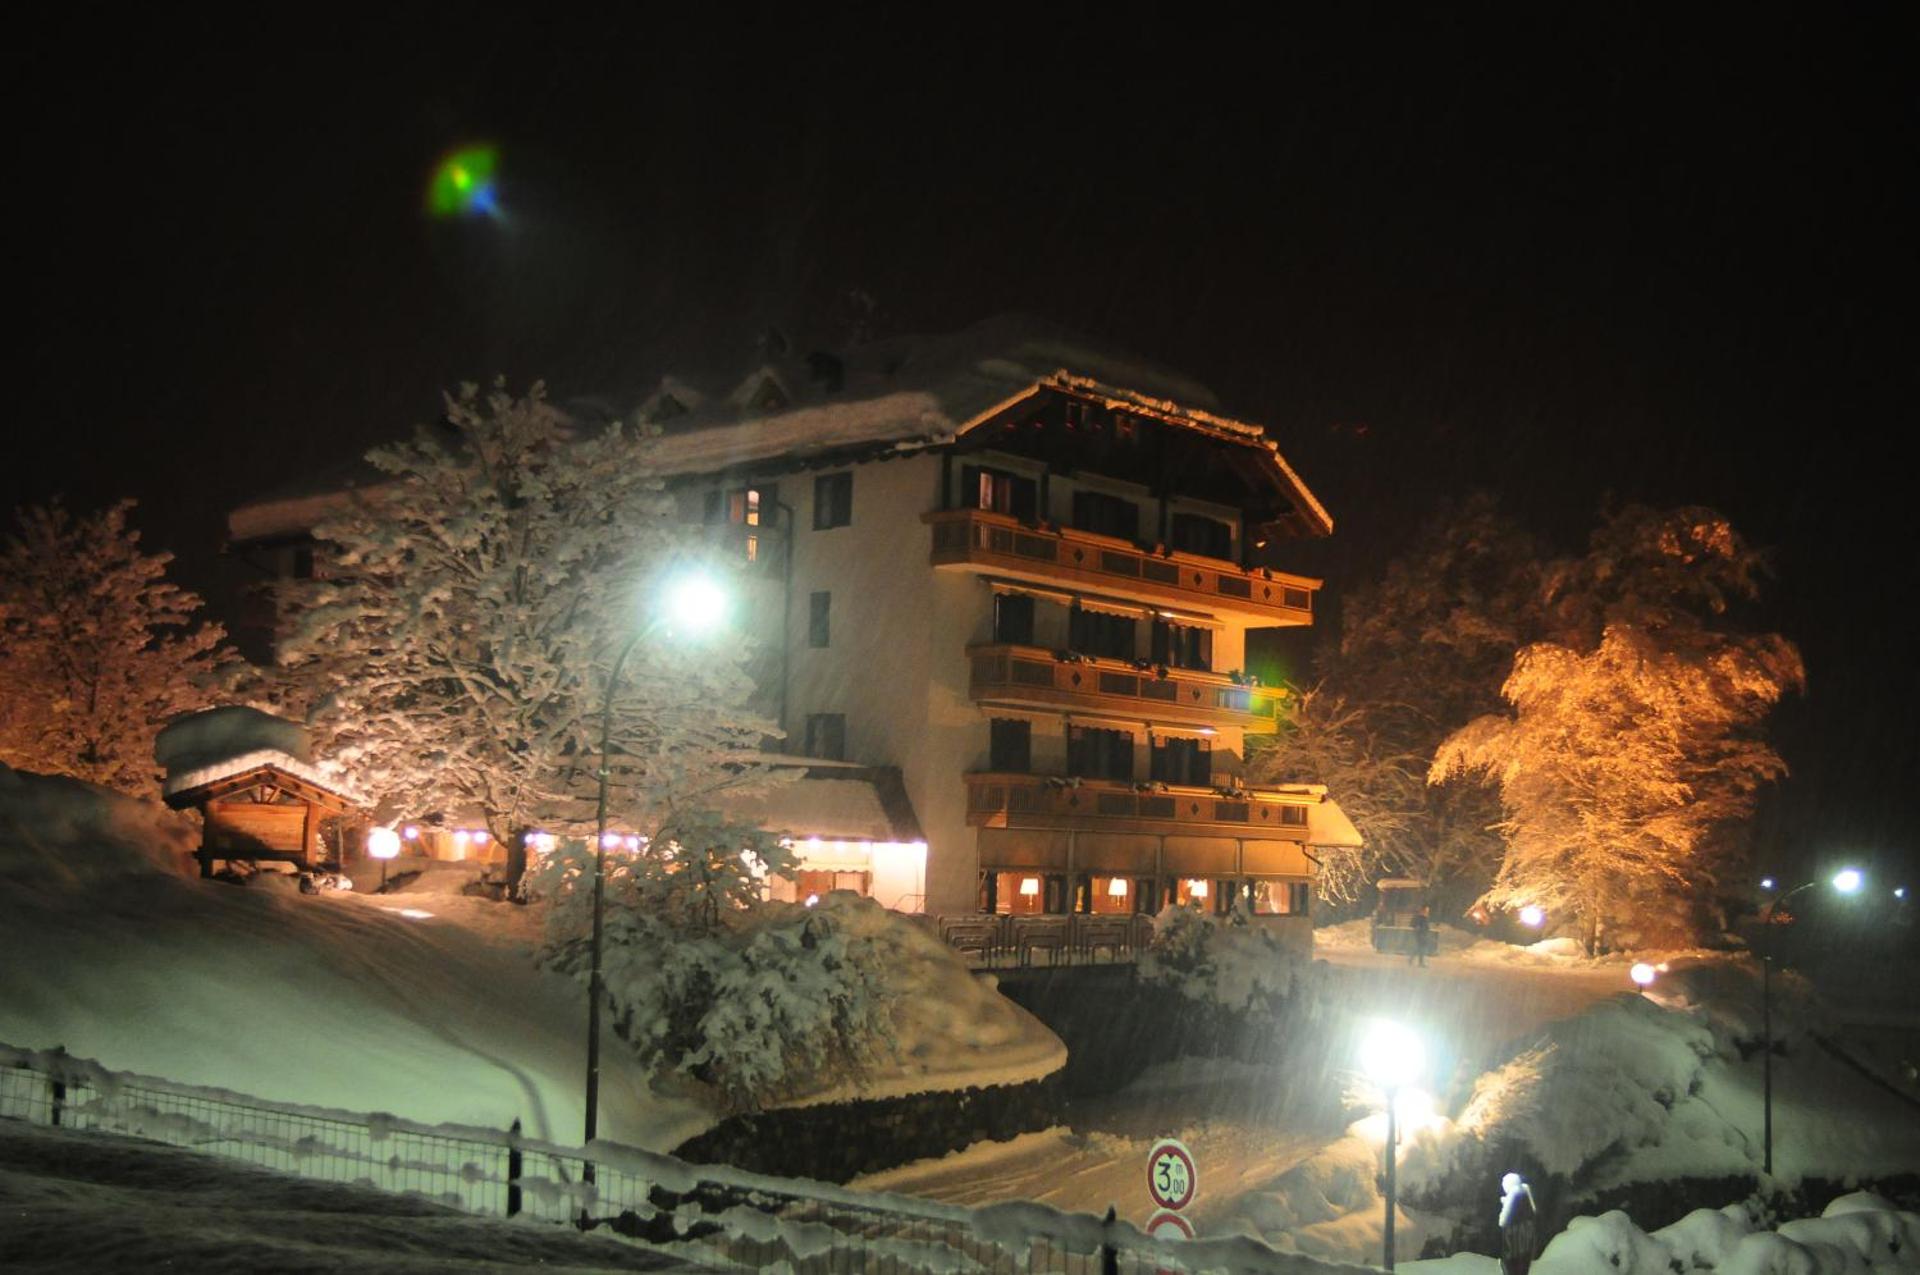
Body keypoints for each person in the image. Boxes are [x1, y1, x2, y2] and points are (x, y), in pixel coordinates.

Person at [1498, 1171, 1538, 1275]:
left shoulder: (1515, 1193)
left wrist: (1506, 1203)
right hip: (1525, 1241)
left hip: (1514, 1242)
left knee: (1513, 1268)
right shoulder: (1526, 1195)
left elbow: (1503, 1220)